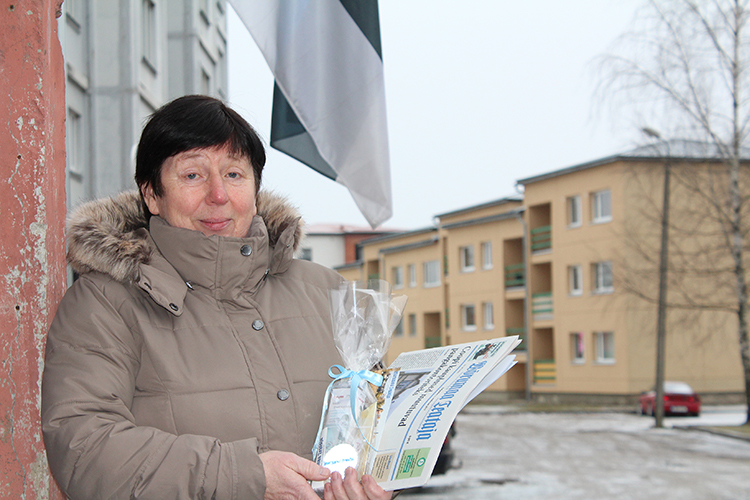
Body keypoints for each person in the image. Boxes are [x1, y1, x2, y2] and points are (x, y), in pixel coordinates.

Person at [41, 95, 392, 500]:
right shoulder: (105, 303)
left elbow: (381, 426)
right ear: (152, 194)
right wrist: (243, 476)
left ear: (255, 188)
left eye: (234, 174)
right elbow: (84, 450)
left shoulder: (327, 292)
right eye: (192, 175)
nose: (219, 195)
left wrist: (374, 485)